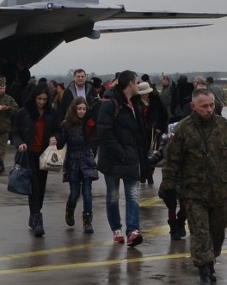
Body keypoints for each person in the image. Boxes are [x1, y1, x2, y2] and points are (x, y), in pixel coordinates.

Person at [159, 89, 227, 285]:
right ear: (194, 107)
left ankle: (211, 258)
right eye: (205, 106)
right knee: (200, 232)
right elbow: (172, 160)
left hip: (220, 190)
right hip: (194, 191)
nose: (209, 109)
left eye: (212, 105)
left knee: (217, 232)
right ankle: (205, 272)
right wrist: (168, 184)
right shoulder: (184, 129)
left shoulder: (224, 126)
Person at [97, 70, 147, 248]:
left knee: (133, 196)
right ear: (130, 84)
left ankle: (133, 231)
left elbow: (139, 133)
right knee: (112, 196)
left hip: (131, 159)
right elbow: (103, 132)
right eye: (137, 82)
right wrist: (121, 153)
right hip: (113, 159)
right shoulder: (109, 103)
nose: (139, 84)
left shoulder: (135, 103)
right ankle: (116, 229)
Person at [11, 83, 58, 237]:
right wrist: (20, 143)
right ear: (34, 98)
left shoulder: (51, 113)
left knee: (41, 188)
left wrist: (55, 138)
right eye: (39, 99)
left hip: (44, 156)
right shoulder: (23, 113)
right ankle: (37, 220)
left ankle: (34, 215)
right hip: (29, 154)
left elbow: (58, 130)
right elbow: (15, 132)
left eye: (44, 99)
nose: (42, 102)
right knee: (35, 187)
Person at [56, 97, 98, 233]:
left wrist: (93, 151)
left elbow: (95, 139)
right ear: (74, 109)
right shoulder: (66, 124)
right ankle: (70, 210)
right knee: (74, 193)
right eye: (79, 109)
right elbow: (60, 143)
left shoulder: (90, 123)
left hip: (86, 158)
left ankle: (87, 221)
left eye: (84, 109)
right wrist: (55, 139)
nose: (81, 111)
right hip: (72, 160)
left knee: (87, 193)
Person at [137, 81, 168, 185]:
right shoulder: (136, 101)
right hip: (141, 131)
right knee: (142, 154)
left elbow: (164, 114)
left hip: (153, 131)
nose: (145, 95)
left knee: (152, 153)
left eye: (147, 93)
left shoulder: (155, 99)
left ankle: (149, 174)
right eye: (143, 93)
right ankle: (143, 176)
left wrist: (160, 127)